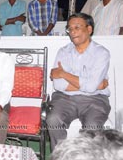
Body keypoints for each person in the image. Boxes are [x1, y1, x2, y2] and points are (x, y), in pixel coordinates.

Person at [46, 13, 111, 151]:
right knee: (53, 120)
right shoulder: (63, 52)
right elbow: (58, 85)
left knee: (92, 127)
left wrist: (63, 74)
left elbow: (92, 87)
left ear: (89, 29)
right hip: (65, 98)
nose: (72, 31)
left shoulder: (102, 53)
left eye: (77, 27)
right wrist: (93, 85)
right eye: (70, 28)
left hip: (96, 100)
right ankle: (60, 155)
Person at [51, 129, 123, 160]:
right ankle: (59, 154)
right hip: (65, 100)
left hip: (93, 100)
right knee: (53, 119)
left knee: (93, 124)